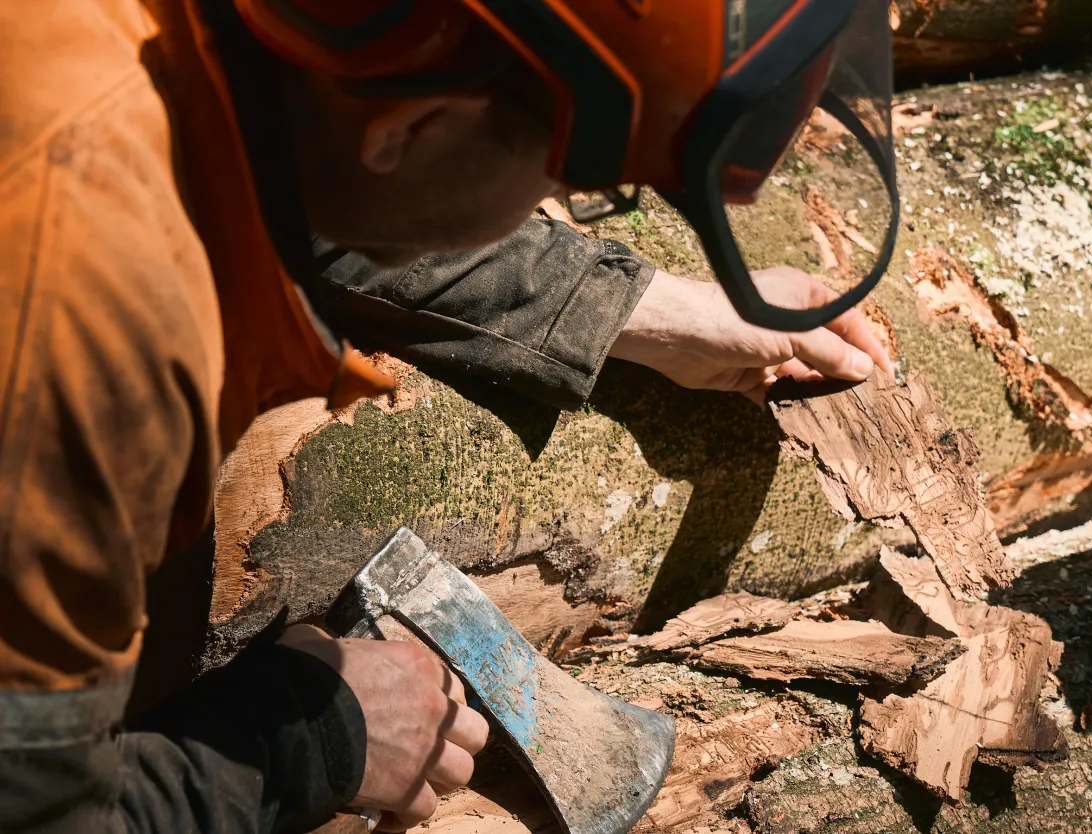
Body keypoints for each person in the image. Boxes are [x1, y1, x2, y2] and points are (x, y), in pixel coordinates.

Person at [0, 0, 895, 831]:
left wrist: (636, 309)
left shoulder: (184, 49)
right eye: (578, 184)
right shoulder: (83, 321)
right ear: (415, 126)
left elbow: (308, 172)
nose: (568, 202)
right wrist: (301, 737)